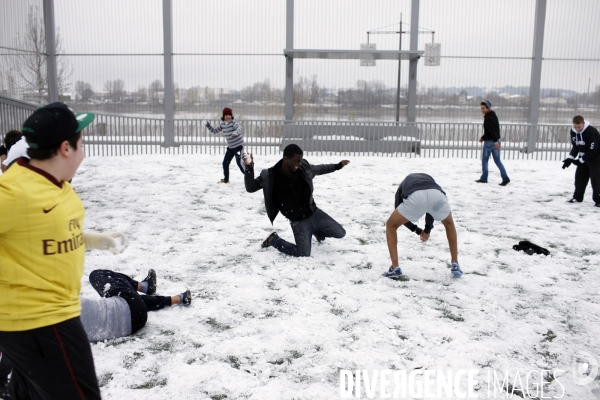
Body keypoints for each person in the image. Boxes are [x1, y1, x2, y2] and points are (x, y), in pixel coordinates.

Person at [0, 102, 127, 400]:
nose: (85, 147)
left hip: (51, 314)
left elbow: (41, 230)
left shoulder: (58, 184)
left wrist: (94, 239)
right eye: (82, 141)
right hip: (40, 320)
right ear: (66, 148)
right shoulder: (13, 193)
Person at [243, 144, 349, 257]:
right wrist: (249, 168)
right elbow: (251, 187)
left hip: (315, 214)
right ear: (286, 159)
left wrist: (338, 166)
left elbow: (319, 169)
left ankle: (316, 231)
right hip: (299, 222)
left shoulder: (304, 168)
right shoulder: (270, 176)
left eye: (301, 160)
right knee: (303, 253)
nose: (300, 163)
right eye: (297, 161)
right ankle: (273, 240)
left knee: (341, 233)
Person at [384, 173, 462, 278]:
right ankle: (455, 263)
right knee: (449, 223)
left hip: (416, 197)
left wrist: (417, 230)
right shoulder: (430, 180)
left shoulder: (403, 185)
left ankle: (395, 267)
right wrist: (427, 230)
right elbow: (431, 209)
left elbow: (399, 212)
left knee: (391, 225)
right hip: (437, 195)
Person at [81, 269, 192, 342]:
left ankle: (178, 298)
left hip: (134, 325)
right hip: (132, 304)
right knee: (97, 275)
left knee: (126, 305)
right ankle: (143, 286)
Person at [562, 115, 600, 207]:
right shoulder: (573, 131)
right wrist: (570, 159)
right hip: (584, 157)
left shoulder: (591, 132)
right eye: (575, 126)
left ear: (583, 123)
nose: (577, 129)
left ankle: (598, 200)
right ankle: (577, 197)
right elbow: (576, 146)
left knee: (596, 179)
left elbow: (593, 150)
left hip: (596, 157)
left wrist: (580, 160)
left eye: (579, 127)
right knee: (579, 178)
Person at [202, 107, 245, 183]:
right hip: (231, 147)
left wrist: (236, 132)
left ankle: (249, 178)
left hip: (238, 146)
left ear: (231, 116)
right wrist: (208, 125)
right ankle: (226, 179)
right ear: (223, 116)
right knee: (225, 163)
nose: (227, 117)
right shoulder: (222, 125)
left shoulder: (234, 123)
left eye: (229, 115)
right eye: (226, 115)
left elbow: (239, 127)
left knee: (239, 162)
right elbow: (214, 131)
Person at [475, 100, 510, 186]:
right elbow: (495, 130)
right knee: (498, 161)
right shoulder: (493, 115)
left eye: (483, 108)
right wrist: (496, 141)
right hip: (496, 140)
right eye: (481, 108)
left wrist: (484, 138)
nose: (482, 110)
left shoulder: (488, 118)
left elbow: (490, 131)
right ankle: (505, 178)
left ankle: (484, 178)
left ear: (488, 108)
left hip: (490, 142)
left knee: (485, 160)